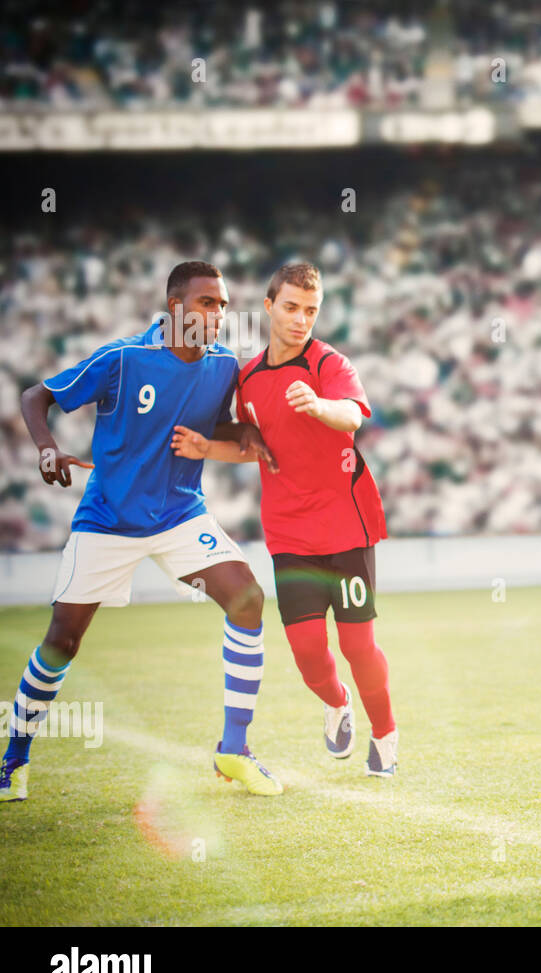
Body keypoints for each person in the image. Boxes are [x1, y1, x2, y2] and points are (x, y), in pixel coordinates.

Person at [1, 261, 283, 802]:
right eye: (208, 303)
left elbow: (208, 423)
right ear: (176, 308)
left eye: (224, 304)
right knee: (62, 641)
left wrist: (242, 428)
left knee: (247, 600)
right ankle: (14, 759)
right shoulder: (123, 358)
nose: (220, 314)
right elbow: (36, 397)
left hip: (180, 515)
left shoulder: (224, 364)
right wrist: (46, 446)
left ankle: (234, 750)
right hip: (108, 520)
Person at [172, 263, 396, 776]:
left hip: (346, 525)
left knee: (358, 644)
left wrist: (319, 405)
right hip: (290, 533)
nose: (301, 320)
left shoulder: (329, 365)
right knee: (308, 653)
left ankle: (385, 734)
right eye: (291, 308)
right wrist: (209, 448)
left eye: (311, 311)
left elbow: (354, 416)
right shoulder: (247, 379)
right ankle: (337, 703)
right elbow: (258, 448)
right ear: (269, 307)